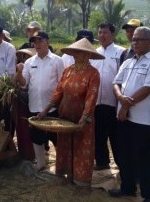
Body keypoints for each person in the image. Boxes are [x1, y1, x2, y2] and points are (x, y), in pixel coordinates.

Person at [37, 38, 103, 188]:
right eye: (74, 52)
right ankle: (67, 174)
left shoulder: (93, 74)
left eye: (78, 52)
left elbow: (91, 98)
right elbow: (58, 92)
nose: (75, 55)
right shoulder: (68, 70)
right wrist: (45, 110)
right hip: (65, 116)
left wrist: (84, 117)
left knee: (81, 148)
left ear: (87, 55)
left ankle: (81, 181)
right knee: (65, 146)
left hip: (82, 118)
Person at [109, 27, 150, 202]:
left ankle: (149, 195)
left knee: (146, 158)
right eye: (134, 40)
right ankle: (127, 188)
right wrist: (120, 98)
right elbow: (116, 83)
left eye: (140, 39)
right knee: (125, 155)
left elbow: (148, 88)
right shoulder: (128, 62)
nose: (135, 42)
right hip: (124, 118)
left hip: (143, 120)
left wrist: (125, 104)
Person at [16, 31, 64, 169]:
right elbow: (24, 84)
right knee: (36, 137)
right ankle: (41, 163)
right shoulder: (30, 62)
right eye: (34, 42)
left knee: (56, 137)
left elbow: (62, 84)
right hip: (34, 106)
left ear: (47, 42)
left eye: (40, 41)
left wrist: (57, 103)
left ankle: (61, 165)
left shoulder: (57, 60)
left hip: (53, 107)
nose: (37, 44)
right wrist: (19, 72)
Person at [91, 23, 125, 171]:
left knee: (116, 137)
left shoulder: (121, 52)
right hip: (96, 102)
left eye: (105, 32)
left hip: (114, 102)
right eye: (99, 33)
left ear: (113, 34)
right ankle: (102, 161)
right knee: (98, 134)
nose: (102, 36)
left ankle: (122, 165)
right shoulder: (93, 53)